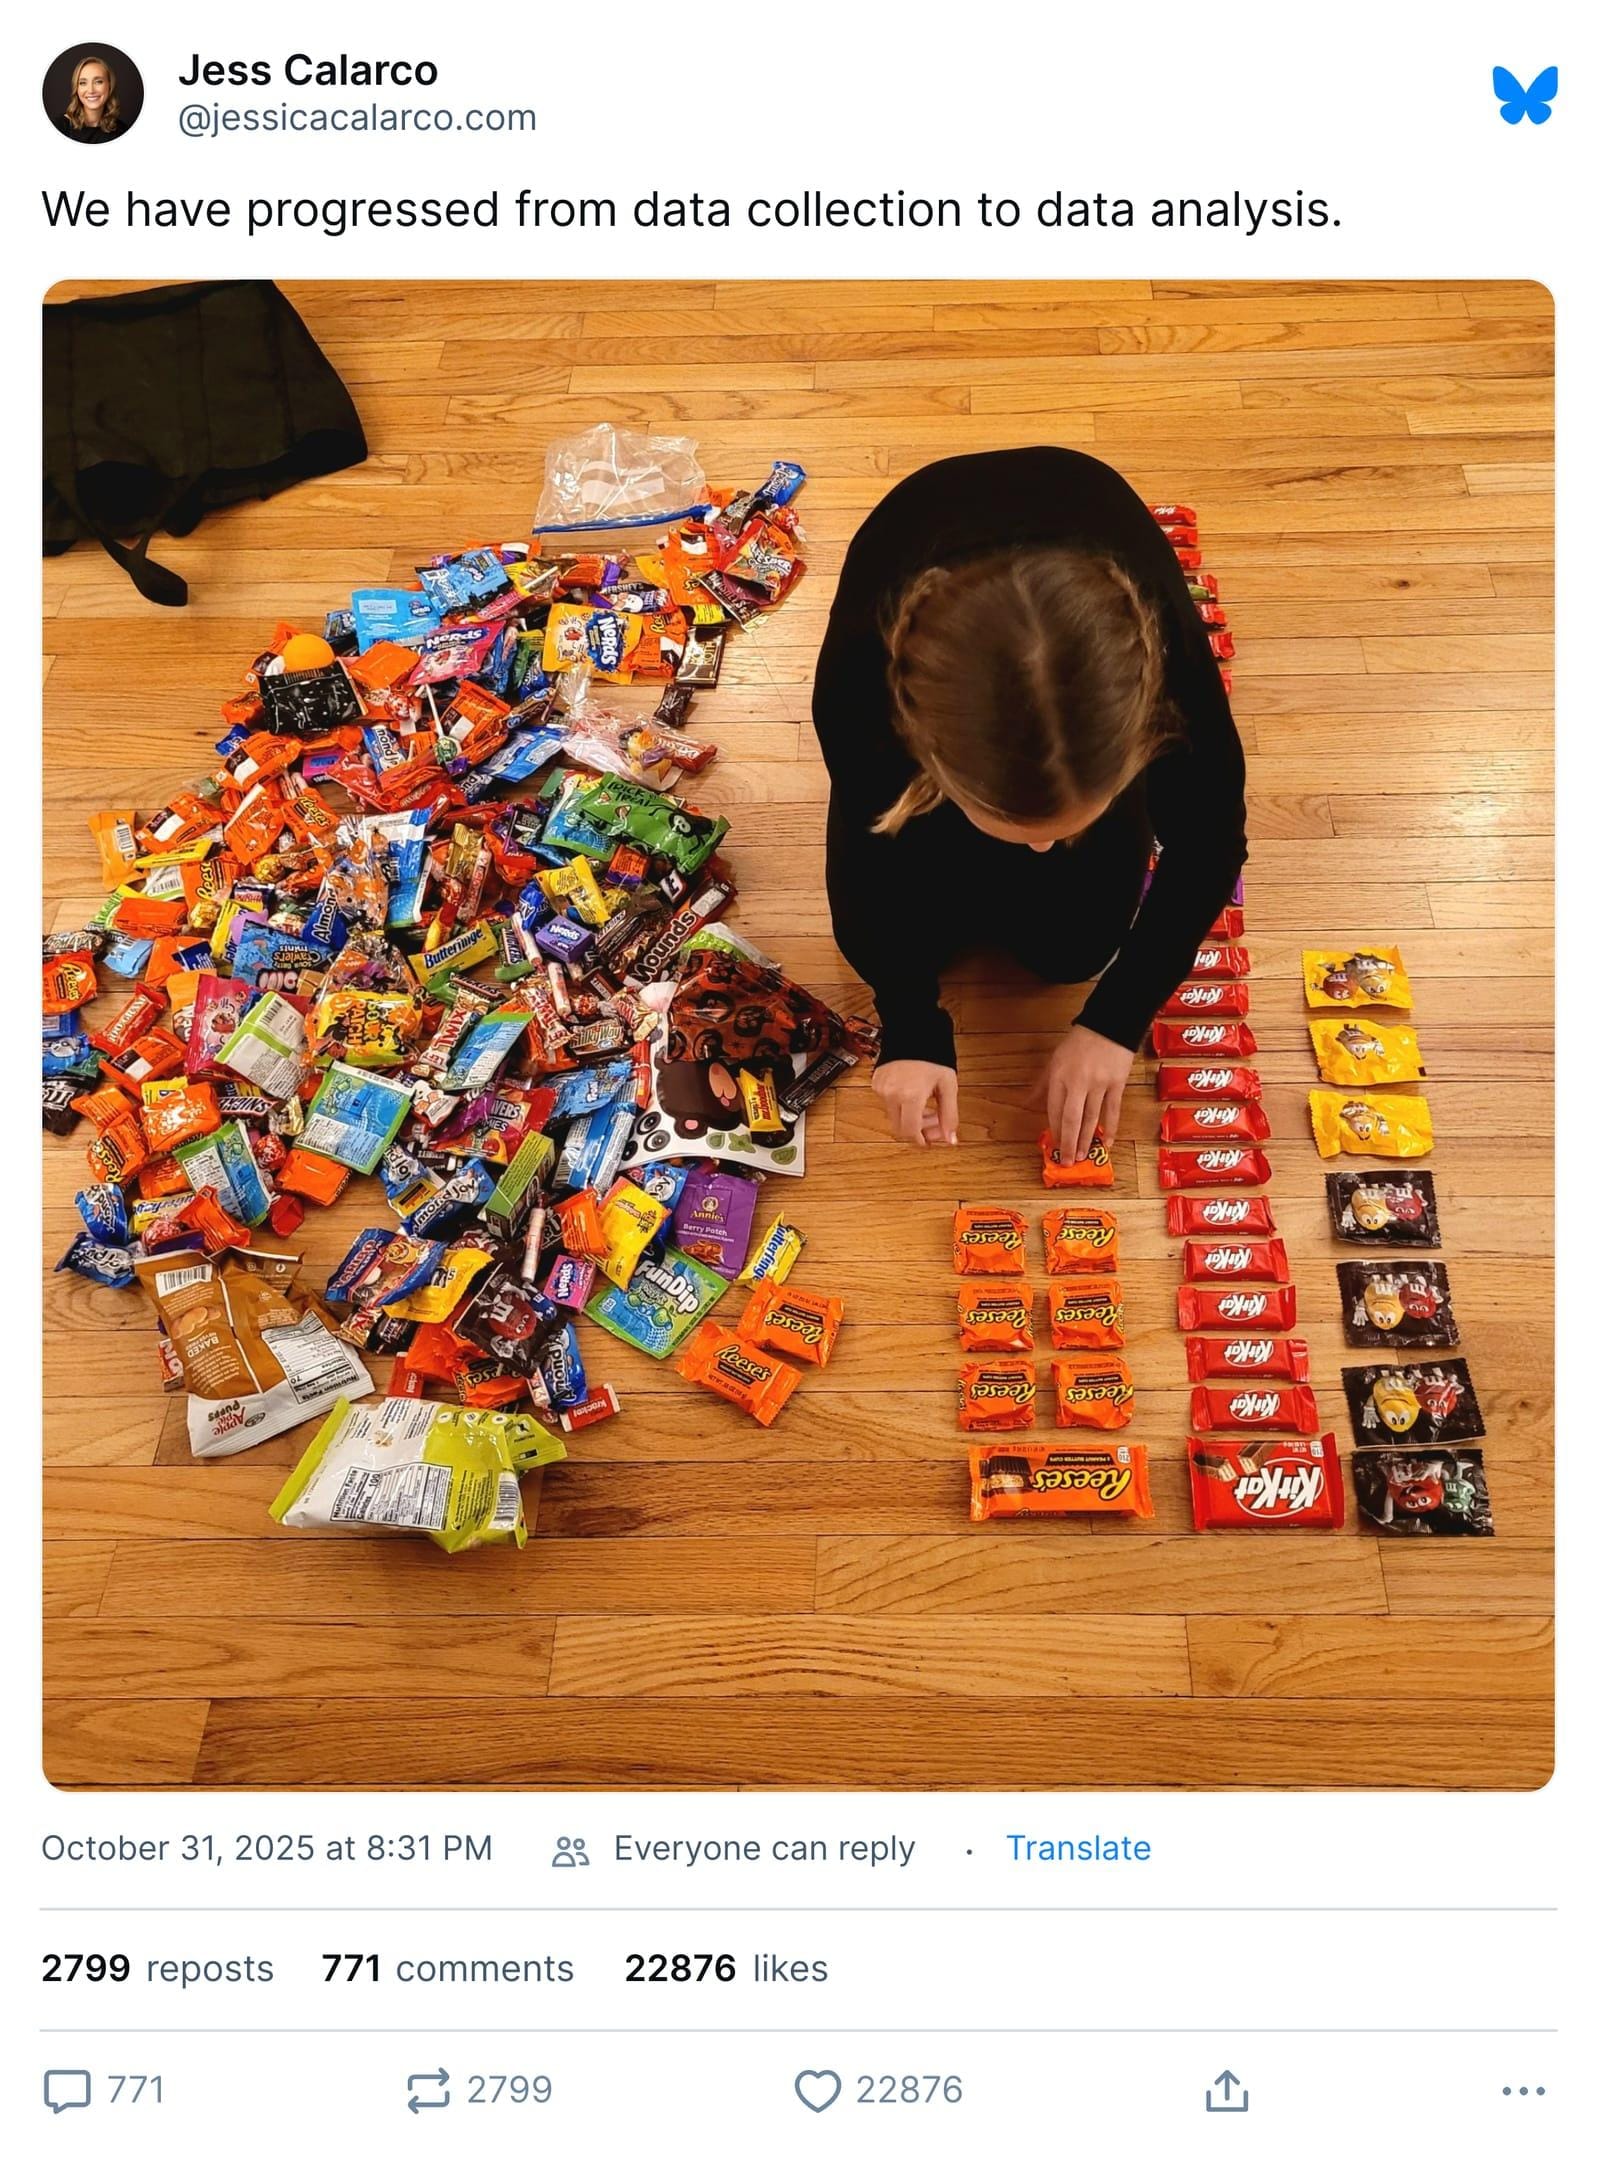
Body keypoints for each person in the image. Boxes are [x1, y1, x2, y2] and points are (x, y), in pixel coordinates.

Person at [811, 447, 1247, 1159]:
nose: (1044, 849)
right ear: (926, 759)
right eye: (1016, 824)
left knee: (1076, 950)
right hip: (915, 568)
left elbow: (1210, 841)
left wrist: (1116, 1020)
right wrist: (910, 1023)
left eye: (1073, 819)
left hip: (1082, 549)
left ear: (1142, 742)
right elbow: (864, 847)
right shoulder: (864, 689)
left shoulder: (1168, 669)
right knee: (887, 940)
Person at [62, 55, 120, 139]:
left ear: (110, 85)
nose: (91, 90)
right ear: (76, 88)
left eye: (98, 82)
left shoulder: (122, 131)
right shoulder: (59, 127)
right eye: (83, 83)